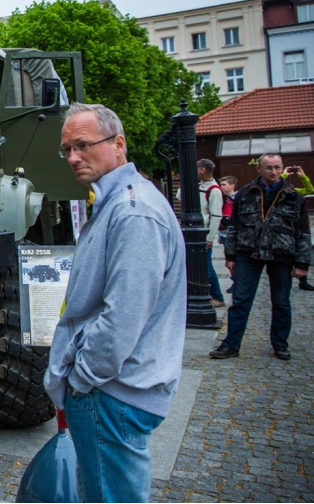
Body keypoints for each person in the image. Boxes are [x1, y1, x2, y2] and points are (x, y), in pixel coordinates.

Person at [44, 103, 185, 503]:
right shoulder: (119, 202)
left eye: (83, 145)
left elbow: (122, 317)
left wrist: (82, 380)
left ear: (118, 144)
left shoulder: (132, 211)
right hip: (111, 390)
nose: (73, 157)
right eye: (66, 148)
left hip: (111, 393)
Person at [211, 154, 312, 361]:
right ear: (259, 169)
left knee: (281, 302)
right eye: (268, 168)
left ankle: (280, 344)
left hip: (281, 253)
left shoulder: (293, 195)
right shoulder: (245, 193)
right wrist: (230, 255)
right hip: (249, 253)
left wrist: (302, 263)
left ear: (282, 168)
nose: (273, 172)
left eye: (277, 167)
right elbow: (234, 227)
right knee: (240, 300)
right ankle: (231, 345)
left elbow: (302, 232)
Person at [198, 159, 225, 307]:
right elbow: (180, 196)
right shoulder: (200, 186)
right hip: (198, 231)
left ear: (202, 170)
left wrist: (210, 237)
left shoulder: (214, 190)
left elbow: (216, 216)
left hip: (204, 233)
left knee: (207, 266)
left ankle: (217, 296)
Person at [282, 165, 314, 291]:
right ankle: (286, 280)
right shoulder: (280, 191)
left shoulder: (296, 192)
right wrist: (284, 175)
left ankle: (303, 281)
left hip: (297, 225)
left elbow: (310, 190)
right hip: (283, 225)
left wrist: (302, 175)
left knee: (300, 251)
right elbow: (277, 184)